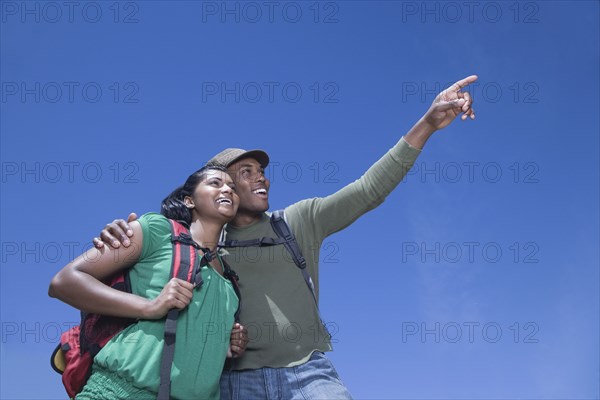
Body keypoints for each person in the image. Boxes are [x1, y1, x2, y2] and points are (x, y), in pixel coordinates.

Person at [95, 75, 478, 399]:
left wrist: (426, 123)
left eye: (261, 171)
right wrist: (116, 234)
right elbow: (150, 264)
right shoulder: (203, 245)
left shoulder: (298, 220)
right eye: (246, 172)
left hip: (308, 374)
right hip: (232, 381)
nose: (261, 177)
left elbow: (367, 190)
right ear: (222, 186)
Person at [49, 164, 248, 399]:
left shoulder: (230, 281)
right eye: (215, 183)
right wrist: (151, 306)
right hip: (118, 392)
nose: (227, 190)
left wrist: (226, 345)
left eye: (233, 188)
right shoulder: (158, 230)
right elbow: (64, 282)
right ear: (189, 201)